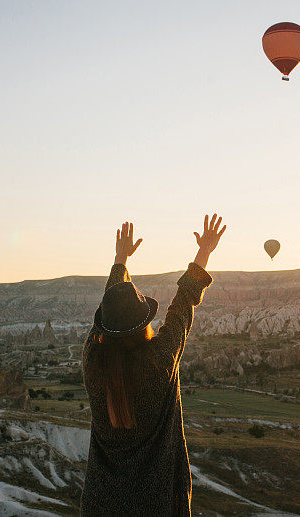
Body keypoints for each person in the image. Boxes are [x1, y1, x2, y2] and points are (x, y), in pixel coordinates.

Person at [81, 214, 227, 516]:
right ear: (144, 323)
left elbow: (108, 313)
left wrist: (120, 260)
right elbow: (183, 305)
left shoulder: (93, 363)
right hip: (158, 504)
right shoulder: (159, 362)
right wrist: (204, 252)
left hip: (101, 504)